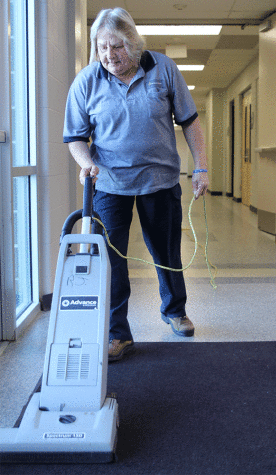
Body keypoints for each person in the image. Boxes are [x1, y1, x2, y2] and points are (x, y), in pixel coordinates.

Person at [63, 8, 209, 362]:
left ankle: (175, 311)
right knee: (110, 260)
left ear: (133, 43)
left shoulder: (163, 69)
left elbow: (190, 123)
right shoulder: (87, 81)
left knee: (167, 250)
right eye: (101, 48)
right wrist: (88, 164)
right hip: (110, 184)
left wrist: (201, 167)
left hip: (160, 180)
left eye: (117, 46)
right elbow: (75, 137)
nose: (109, 56)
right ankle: (117, 333)